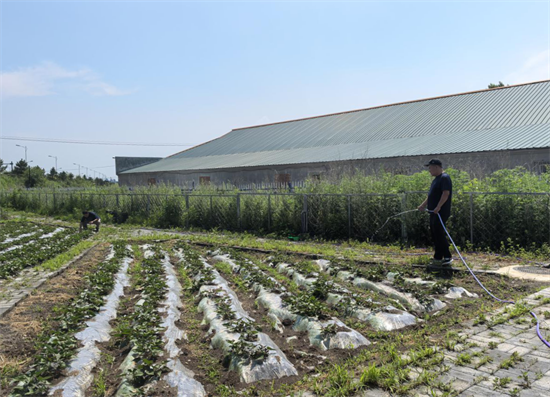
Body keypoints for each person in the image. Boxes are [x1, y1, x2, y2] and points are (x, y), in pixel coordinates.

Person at [417, 159, 453, 266]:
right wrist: (423, 205)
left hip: (440, 212)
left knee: (439, 233)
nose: (429, 170)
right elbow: (431, 196)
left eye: (430, 168)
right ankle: (438, 256)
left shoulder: (445, 178)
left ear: (437, 167)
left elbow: (445, 194)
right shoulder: (436, 180)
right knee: (434, 233)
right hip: (433, 211)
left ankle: (447, 256)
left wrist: (438, 206)